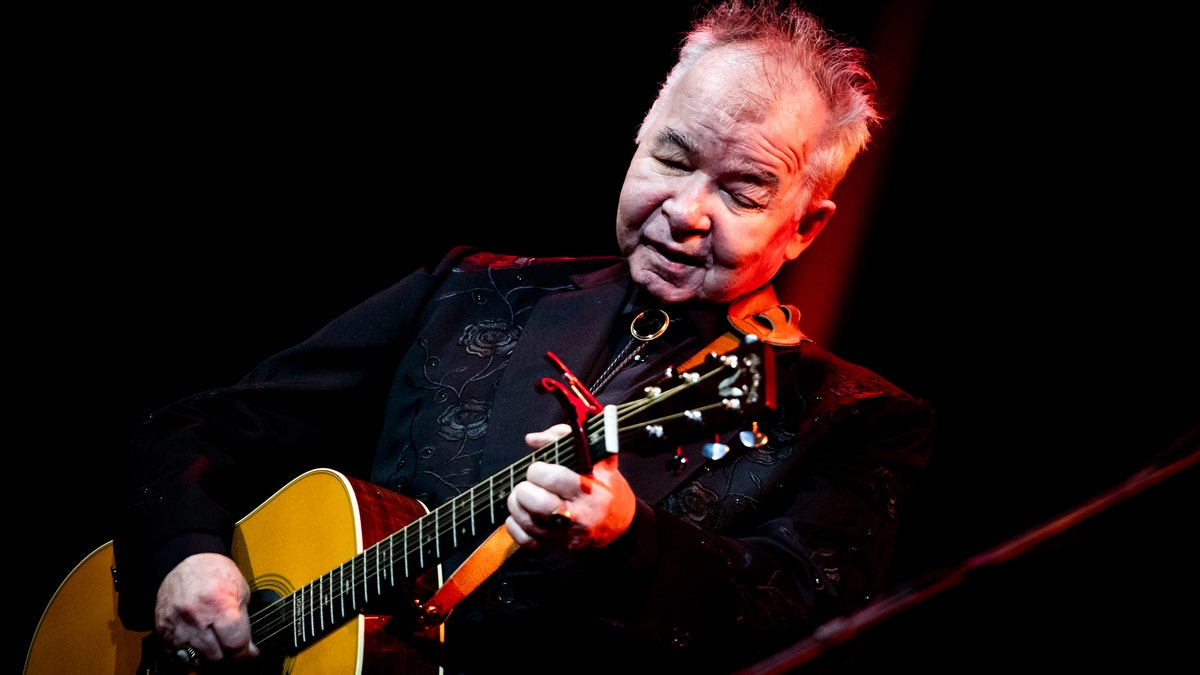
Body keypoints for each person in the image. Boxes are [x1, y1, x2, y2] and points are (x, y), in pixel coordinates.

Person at [112, 1, 934, 672]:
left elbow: (789, 626)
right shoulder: (471, 287)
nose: (686, 210)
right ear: (639, 138)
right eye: (672, 157)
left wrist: (629, 541)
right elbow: (196, 428)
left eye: (743, 190)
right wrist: (186, 551)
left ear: (805, 227)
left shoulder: (856, 420)